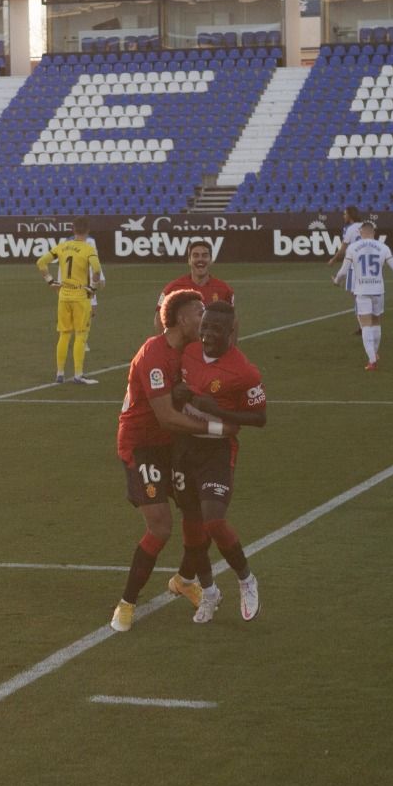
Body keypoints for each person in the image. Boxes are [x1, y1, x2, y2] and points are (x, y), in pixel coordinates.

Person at [110, 289, 224, 633]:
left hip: (173, 444)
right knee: (160, 526)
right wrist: (217, 427)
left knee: (200, 516)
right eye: (199, 312)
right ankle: (126, 603)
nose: (204, 319)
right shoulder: (153, 354)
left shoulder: (190, 351)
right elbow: (165, 417)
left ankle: (184, 580)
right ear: (180, 319)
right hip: (143, 445)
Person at [171, 300, 266, 624]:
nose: (208, 333)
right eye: (205, 326)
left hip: (217, 449)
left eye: (216, 329)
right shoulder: (189, 353)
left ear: (230, 332)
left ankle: (246, 579)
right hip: (184, 447)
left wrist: (217, 410)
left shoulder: (244, 371)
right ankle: (209, 592)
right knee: (193, 529)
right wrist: (178, 395)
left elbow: (260, 417)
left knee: (213, 520)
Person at [332, 222, 393, 371]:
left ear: (361, 232)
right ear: (373, 232)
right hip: (378, 290)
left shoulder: (353, 248)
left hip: (362, 290)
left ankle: (372, 360)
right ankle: (374, 353)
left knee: (365, 324)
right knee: (376, 322)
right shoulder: (383, 247)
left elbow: (343, 271)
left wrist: (337, 281)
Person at [35, 218, 102, 385]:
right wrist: (93, 288)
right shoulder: (88, 249)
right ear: (87, 231)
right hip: (80, 296)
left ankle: (59, 374)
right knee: (81, 334)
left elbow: (41, 262)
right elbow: (97, 270)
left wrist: (50, 281)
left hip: (63, 295)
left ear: (73, 230)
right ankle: (78, 374)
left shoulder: (62, 246)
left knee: (64, 335)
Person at [156, 238, 234, 332]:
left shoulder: (224, 290)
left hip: (212, 345)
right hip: (183, 346)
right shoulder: (173, 288)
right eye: (195, 255)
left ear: (210, 260)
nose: (200, 259)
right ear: (189, 260)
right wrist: (165, 344)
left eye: (204, 256)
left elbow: (232, 321)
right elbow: (159, 317)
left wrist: (230, 346)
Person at [328, 206, 365, 337]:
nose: (343, 216)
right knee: (361, 295)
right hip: (367, 264)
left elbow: (343, 249)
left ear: (350, 215)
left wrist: (333, 259)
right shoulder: (366, 226)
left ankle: (363, 328)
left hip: (355, 263)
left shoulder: (350, 229)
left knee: (357, 296)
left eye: (345, 214)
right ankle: (366, 326)